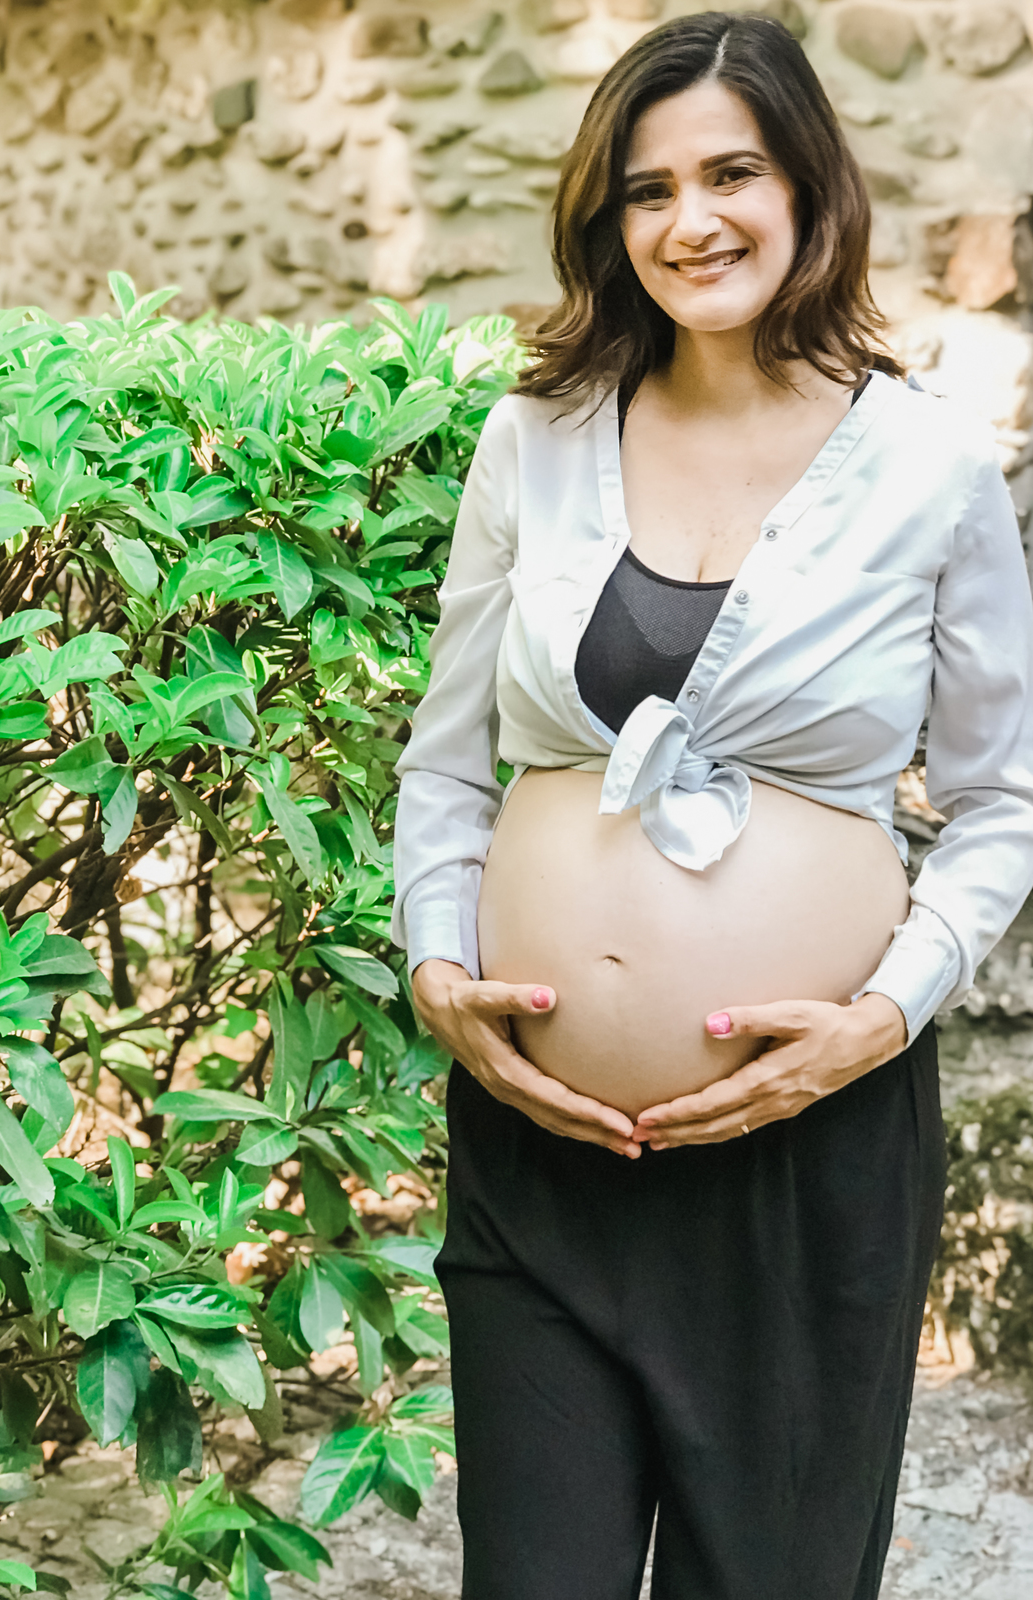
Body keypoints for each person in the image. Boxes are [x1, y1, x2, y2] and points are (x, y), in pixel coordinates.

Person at [390, 12, 1033, 1600]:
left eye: (732, 173)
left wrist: (876, 1020)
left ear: (809, 184)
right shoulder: (533, 443)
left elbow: (1002, 804)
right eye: (648, 189)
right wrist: (436, 964)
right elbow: (448, 763)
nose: (692, 221)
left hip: (804, 1167)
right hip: (541, 1154)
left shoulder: (933, 472)